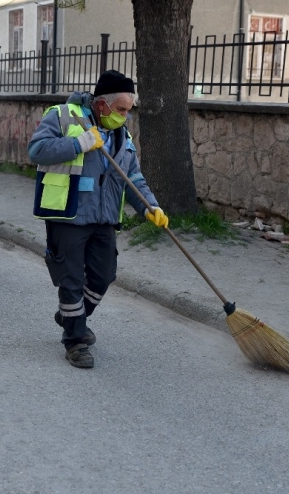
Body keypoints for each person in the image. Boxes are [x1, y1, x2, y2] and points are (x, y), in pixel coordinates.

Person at [28, 70, 169, 369]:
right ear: (102, 105)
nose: (125, 117)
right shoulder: (64, 117)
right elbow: (37, 150)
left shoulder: (123, 135)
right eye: (121, 111)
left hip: (104, 217)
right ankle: (75, 341)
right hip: (68, 213)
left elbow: (133, 177)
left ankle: (71, 316)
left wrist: (150, 207)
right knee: (71, 280)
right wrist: (79, 143)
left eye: (128, 112)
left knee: (104, 275)